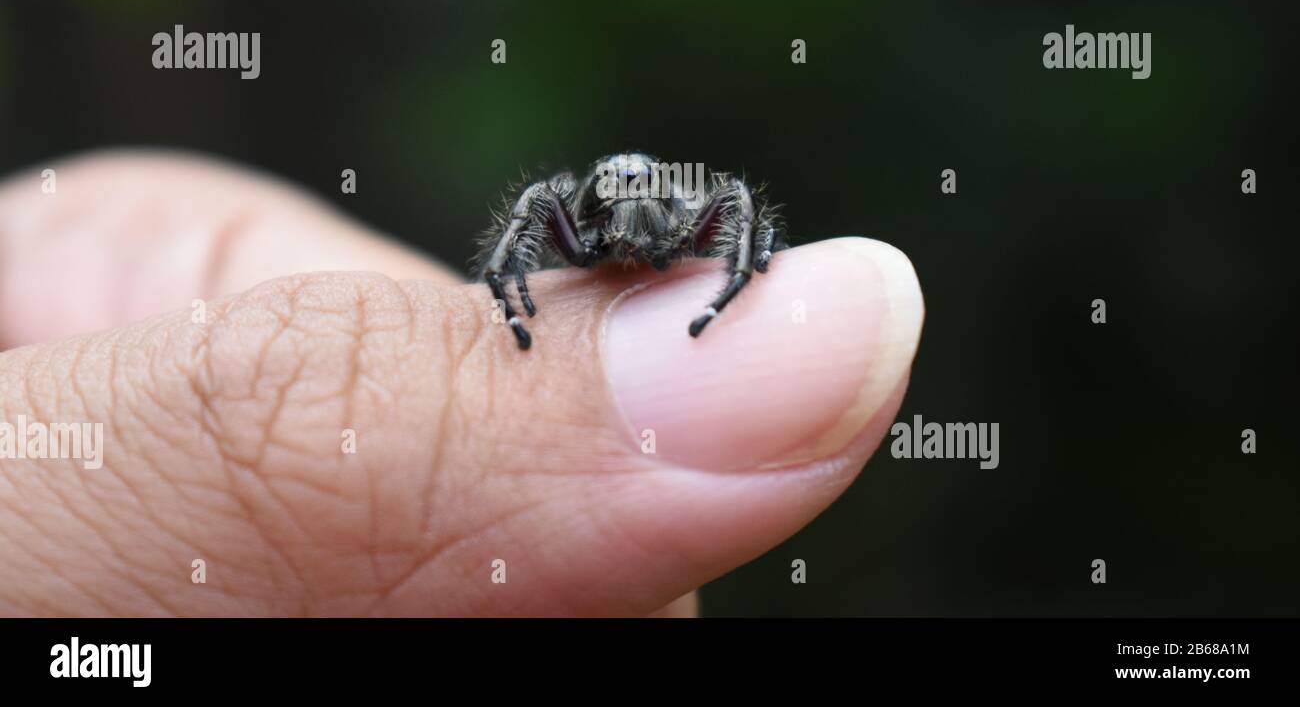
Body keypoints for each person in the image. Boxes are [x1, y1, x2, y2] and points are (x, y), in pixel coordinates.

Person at [0, 151, 923, 616]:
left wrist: (739, 276)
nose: (635, 228)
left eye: (655, 212)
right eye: (615, 211)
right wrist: (509, 297)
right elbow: (534, 213)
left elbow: (735, 199)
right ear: (594, 211)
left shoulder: (692, 207)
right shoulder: (574, 216)